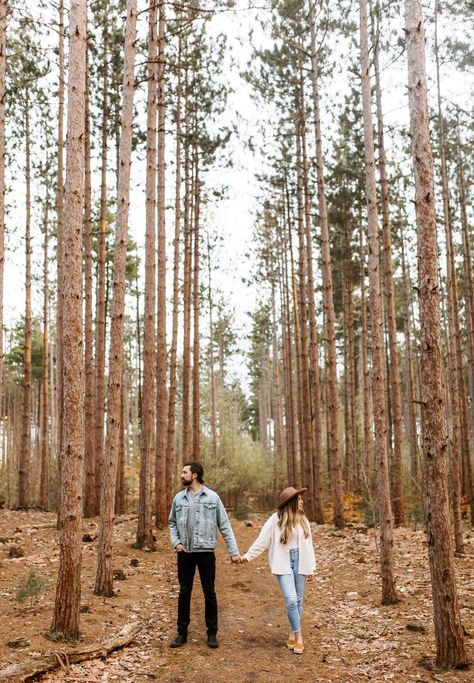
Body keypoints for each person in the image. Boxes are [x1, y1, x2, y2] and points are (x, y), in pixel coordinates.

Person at [168, 461, 241, 649]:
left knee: (209, 593)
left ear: (194, 475)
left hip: (206, 552)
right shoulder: (178, 498)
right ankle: (181, 633)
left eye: (184, 472)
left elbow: (224, 525)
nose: (181, 475)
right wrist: (176, 543)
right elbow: (172, 523)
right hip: (185, 553)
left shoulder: (213, 498)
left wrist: (234, 552)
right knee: (184, 592)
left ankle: (212, 633)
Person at [240, 487, 316, 654]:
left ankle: (291, 632)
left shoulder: (304, 521)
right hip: (283, 562)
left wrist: (311, 568)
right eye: (299, 499)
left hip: (301, 562)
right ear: (292, 502)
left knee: (298, 600)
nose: (302, 501)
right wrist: (247, 556)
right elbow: (262, 541)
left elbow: (309, 546)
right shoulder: (275, 520)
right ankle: (299, 636)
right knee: (291, 599)